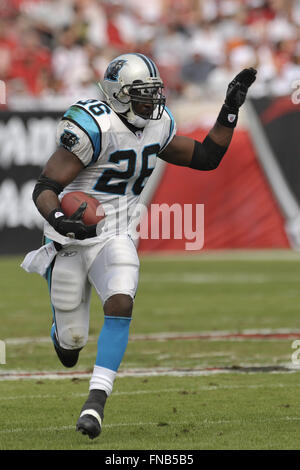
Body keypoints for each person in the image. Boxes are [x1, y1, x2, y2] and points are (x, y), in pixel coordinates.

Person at [30, 53, 256, 439]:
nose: (153, 102)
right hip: (71, 234)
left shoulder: (157, 125)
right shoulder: (93, 127)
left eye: (154, 93)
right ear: (119, 95)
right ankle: (61, 331)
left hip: (118, 230)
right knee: (71, 344)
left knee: (121, 301)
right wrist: (59, 220)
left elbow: (206, 156)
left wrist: (229, 110)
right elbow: (46, 188)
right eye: (143, 94)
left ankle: (95, 404)